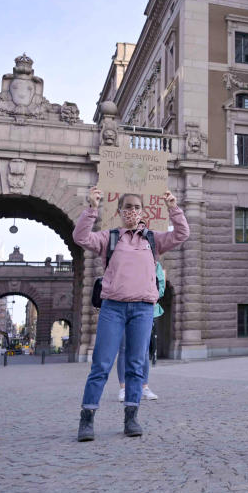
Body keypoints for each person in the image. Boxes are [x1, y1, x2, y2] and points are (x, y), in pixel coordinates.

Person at [74, 187, 189, 442]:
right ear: (120, 211)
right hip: (112, 308)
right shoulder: (109, 238)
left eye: (137, 207)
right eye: (128, 207)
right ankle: (87, 417)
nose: (132, 211)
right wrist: (92, 208)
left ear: (142, 212)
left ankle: (131, 416)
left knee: (136, 365)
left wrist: (173, 208)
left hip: (143, 309)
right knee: (101, 364)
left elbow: (182, 234)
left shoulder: (153, 239)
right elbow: (81, 237)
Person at [115, 327, 157, 402]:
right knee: (123, 348)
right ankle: (123, 388)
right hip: (124, 316)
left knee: (145, 350)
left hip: (145, 315)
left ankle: (144, 387)